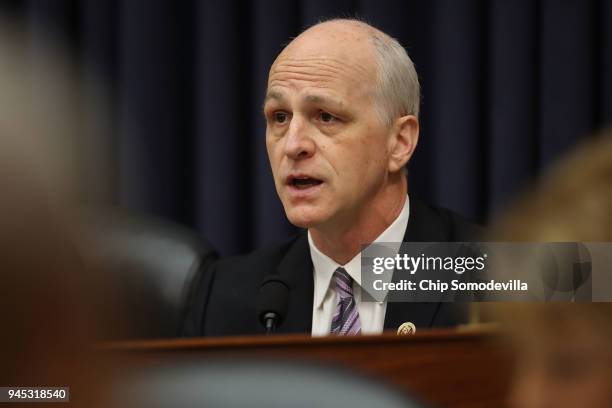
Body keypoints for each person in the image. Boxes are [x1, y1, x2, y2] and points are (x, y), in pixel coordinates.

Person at [183, 19, 478, 337]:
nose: (293, 145)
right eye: (279, 117)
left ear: (400, 142)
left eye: (326, 116)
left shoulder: (494, 278)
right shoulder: (223, 296)